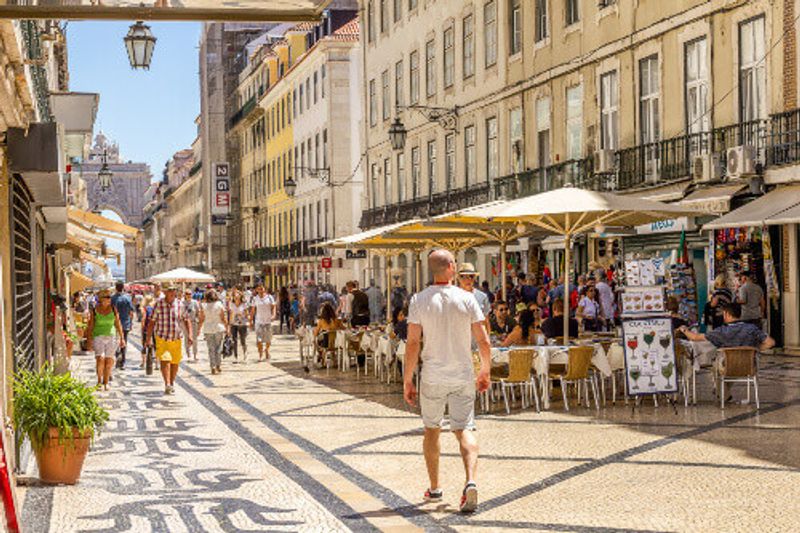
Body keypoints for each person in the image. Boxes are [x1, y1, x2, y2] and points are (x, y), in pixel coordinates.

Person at [404, 249, 491, 513]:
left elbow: (413, 343)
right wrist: (485, 370)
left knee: (432, 430)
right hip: (463, 374)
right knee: (464, 428)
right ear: (452, 267)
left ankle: (435, 487)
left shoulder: (419, 300)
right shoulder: (467, 299)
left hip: (432, 375)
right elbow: (484, 340)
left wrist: (408, 380)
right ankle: (471, 481)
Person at [145, 285, 192, 395]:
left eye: (174, 290)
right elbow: (152, 321)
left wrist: (189, 335)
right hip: (162, 337)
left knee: (175, 362)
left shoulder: (180, 304)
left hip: (176, 338)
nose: (172, 292)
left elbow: (186, 320)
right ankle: (167, 384)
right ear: (165, 292)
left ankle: (171, 382)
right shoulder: (159, 304)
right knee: (165, 360)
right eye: (170, 290)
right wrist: (148, 338)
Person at [680, 302, 774, 351]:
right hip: (749, 367)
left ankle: (722, 388)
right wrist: (754, 350)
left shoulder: (721, 331)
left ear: (727, 314)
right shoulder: (751, 328)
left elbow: (695, 337)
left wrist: (684, 329)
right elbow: (770, 343)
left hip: (727, 368)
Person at [85, 289, 126, 390]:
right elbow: (90, 326)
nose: (109, 299)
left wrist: (122, 338)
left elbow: (118, 323)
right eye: (107, 297)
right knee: (100, 359)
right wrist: (89, 340)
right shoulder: (94, 310)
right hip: (98, 336)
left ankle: (106, 382)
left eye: (109, 297)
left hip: (111, 336)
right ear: (101, 299)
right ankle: (99, 381)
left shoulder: (113, 309)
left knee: (109, 360)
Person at [198, 289, 228, 375]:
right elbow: (223, 318)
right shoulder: (219, 304)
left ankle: (213, 366)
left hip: (208, 329)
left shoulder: (204, 306)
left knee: (211, 349)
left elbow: (201, 319)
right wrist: (227, 327)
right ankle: (218, 365)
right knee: (218, 348)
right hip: (219, 328)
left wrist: (199, 329)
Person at [457, 263, 491, 332]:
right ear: (458, 278)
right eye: (463, 276)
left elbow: (486, 320)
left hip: (477, 338)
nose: (468, 279)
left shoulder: (482, 296)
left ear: (475, 278)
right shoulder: (453, 296)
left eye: (471, 276)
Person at [111, 282, 134, 369]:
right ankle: (123, 362)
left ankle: (117, 357)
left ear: (116, 288)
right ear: (123, 288)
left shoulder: (113, 298)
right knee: (124, 342)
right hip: (125, 323)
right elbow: (131, 312)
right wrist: (131, 323)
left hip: (115, 324)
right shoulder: (127, 298)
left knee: (115, 342)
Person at [251, 285, 276, 362]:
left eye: (262, 288)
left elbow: (274, 306)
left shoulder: (269, 297)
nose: (260, 290)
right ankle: (260, 354)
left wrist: (273, 315)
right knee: (259, 340)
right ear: (256, 290)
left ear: (265, 289)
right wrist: (251, 320)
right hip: (259, 321)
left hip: (268, 321)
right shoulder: (255, 299)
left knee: (268, 339)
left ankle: (267, 350)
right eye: (259, 289)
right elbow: (253, 310)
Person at [314, 302, 343, 366]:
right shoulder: (337, 320)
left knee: (316, 341)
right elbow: (343, 328)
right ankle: (334, 361)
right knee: (330, 339)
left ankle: (321, 355)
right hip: (336, 343)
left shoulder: (321, 321)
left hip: (325, 344)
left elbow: (315, 333)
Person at [227, 289, 250, 363]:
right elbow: (230, 315)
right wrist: (229, 326)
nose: (236, 298)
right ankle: (235, 357)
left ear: (240, 297)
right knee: (234, 340)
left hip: (242, 324)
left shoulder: (244, 304)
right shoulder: (231, 304)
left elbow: (247, 315)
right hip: (234, 324)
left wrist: (242, 315)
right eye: (235, 296)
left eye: (237, 296)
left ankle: (245, 354)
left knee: (243, 340)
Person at [182, 289, 201, 363]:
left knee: (194, 339)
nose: (189, 295)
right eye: (187, 294)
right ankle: (188, 354)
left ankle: (195, 354)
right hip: (185, 323)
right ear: (185, 295)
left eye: (190, 294)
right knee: (186, 338)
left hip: (193, 322)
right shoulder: (182, 303)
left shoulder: (195, 302)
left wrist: (198, 321)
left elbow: (198, 312)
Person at [140, 295, 156, 369]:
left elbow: (143, 319)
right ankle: (157, 364)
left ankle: (143, 362)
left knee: (144, 345)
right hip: (154, 329)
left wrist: (142, 328)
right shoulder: (154, 309)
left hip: (147, 328)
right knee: (156, 345)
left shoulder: (144, 309)